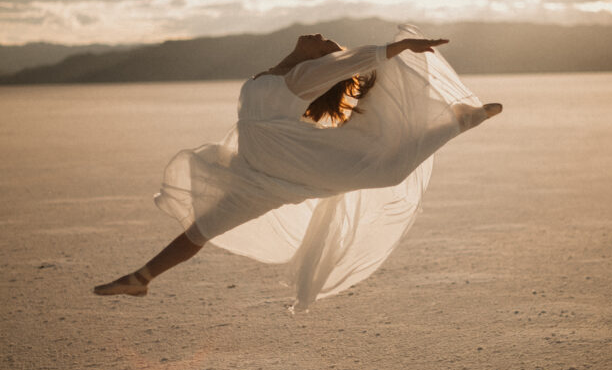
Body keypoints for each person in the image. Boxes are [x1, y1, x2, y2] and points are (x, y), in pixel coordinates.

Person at [94, 24, 502, 310]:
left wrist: (399, 48)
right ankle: (141, 280)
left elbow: (355, 60)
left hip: (286, 162)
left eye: (324, 40)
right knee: (201, 230)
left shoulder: (306, 74)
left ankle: (462, 118)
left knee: (386, 170)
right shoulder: (281, 72)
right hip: (259, 177)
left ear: (322, 56)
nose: (317, 35)